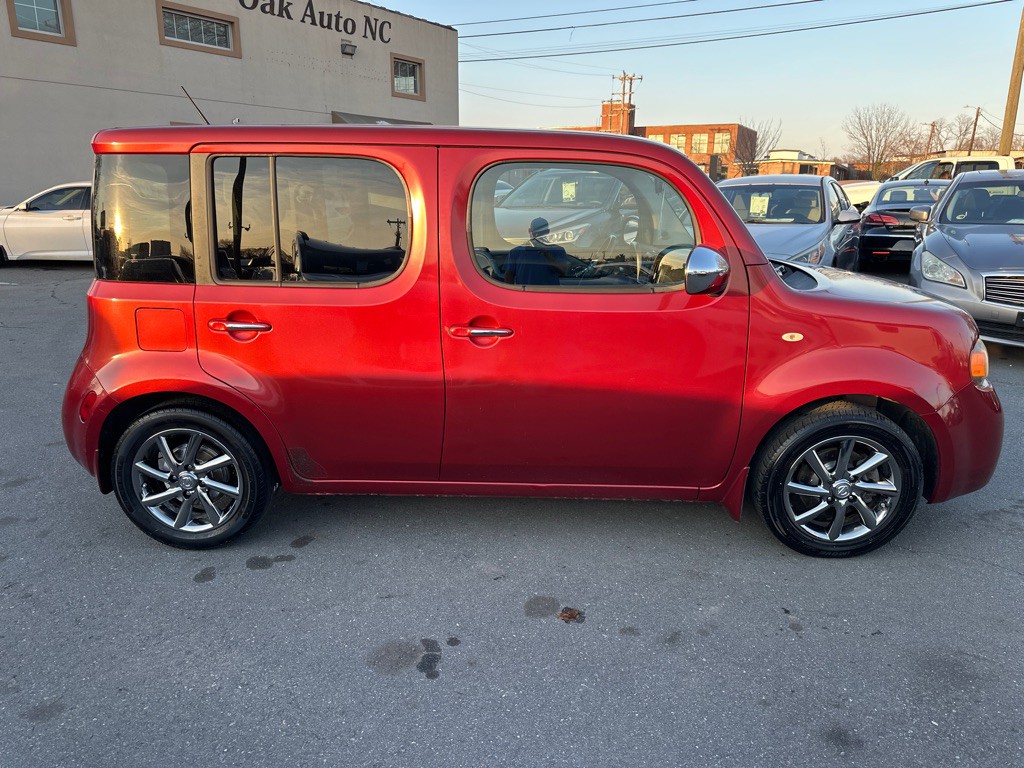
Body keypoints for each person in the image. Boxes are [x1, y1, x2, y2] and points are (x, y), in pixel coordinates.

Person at [502, 217, 570, 286]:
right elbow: (509, 277)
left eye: (541, 232)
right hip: (526, 294)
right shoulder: (516, 252)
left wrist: (547, 254)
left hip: (549, 294)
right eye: (536, 232)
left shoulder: (557, 250)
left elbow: (563, 271)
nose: (537, 235)